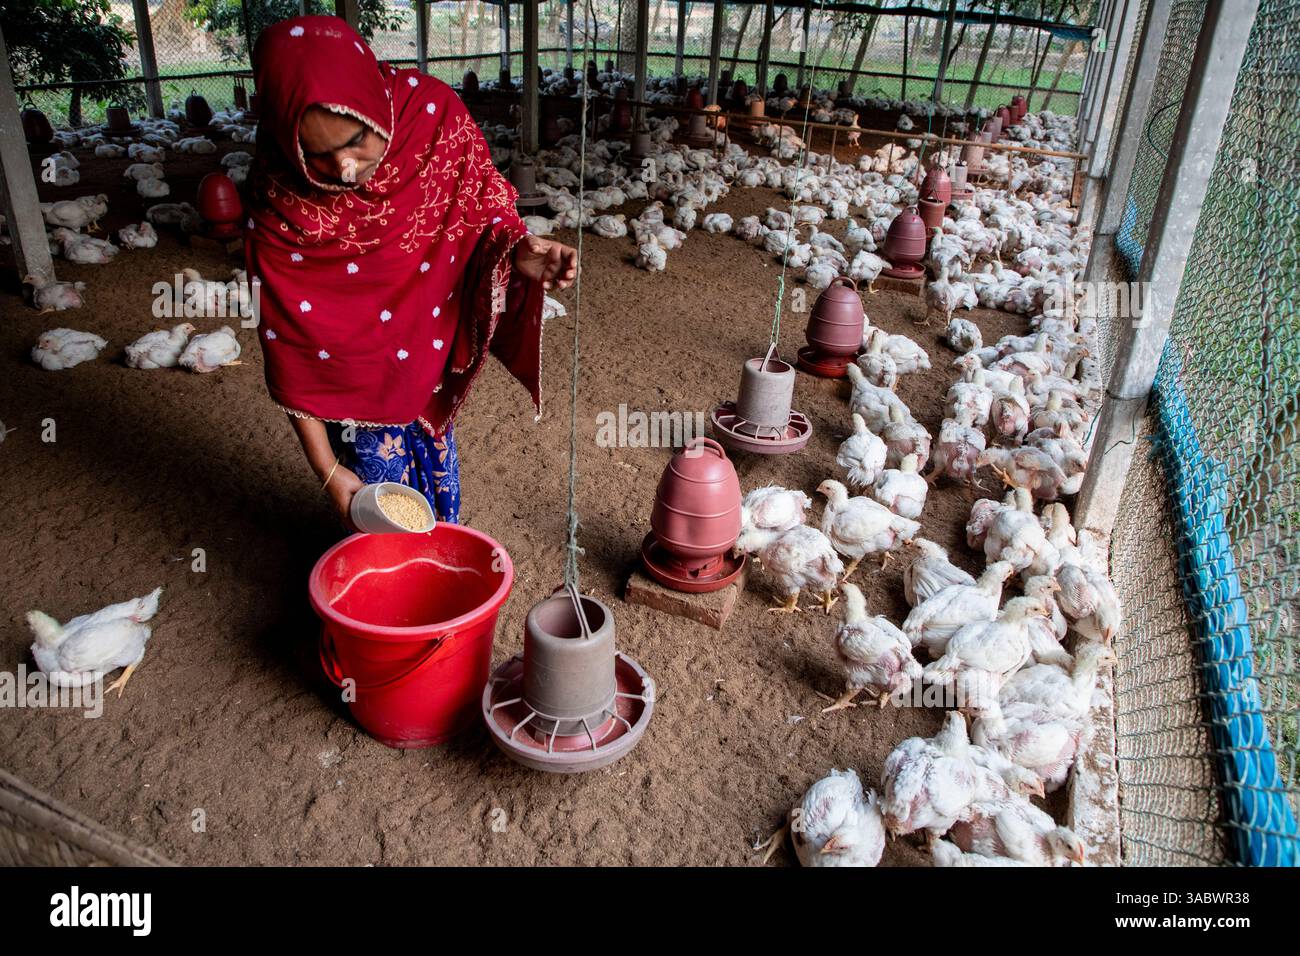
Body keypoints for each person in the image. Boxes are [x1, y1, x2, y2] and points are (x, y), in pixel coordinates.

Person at [245, 16, 576, 526]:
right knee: (378, 508)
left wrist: (518, 252)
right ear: (289, 145)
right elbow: (288, 342)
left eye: (357, 139)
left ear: (373, 103)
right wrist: (327, 469)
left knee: (439, 500)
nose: (347, 168)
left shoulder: (433, 117)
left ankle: (437, 556)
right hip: (353, 388)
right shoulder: (279, 197)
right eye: (319, 155)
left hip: (424, 356)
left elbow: (481, 209)